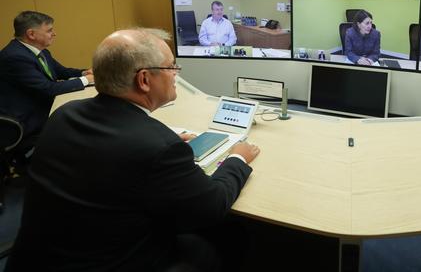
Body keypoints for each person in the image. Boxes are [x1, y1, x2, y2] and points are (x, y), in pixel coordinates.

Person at [6, 29, 261, 271]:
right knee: (231, 235)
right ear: (144, 80)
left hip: (33, 262)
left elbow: (109, 152)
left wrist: (161, 139)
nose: (176, 73)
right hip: (111, 265)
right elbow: (212, 206)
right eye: (171, 66)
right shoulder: (158, 147)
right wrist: (238, 157)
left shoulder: (64, 114)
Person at [0, 10, 93, 156]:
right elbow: (48, 89)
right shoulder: (14, 57)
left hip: (41, 107)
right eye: (49, 30)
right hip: (28, 120)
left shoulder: (39, 51)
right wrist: (87, 80)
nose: (54, 34)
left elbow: (63, 71)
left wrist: (85, 73)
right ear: (31, 34)